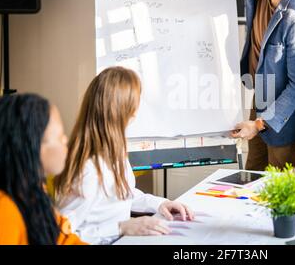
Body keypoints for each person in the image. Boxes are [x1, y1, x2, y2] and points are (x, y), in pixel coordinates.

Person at [203, 0, 295, 171]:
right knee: (251, 174)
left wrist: (260, 123)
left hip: (285, 114)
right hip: (262, 95)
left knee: (279, 186)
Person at [54, 67, 194, 245]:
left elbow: (123, 194)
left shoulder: (115, 151)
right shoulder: (87, 170)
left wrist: (160, 204)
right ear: (122, 111)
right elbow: (61, 234)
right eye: (135, 102)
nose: (137, 110)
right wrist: (121, 227)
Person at [0, 93, 86, 245]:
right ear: (31, 146)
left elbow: (65, 240)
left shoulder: (34, 194)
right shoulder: (3, 211)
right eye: (59, 136)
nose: (66, 141)